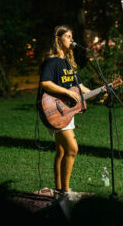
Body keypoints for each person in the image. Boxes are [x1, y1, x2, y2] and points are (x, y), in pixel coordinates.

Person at [38, 25, 91, 200]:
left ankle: (59, 190)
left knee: (61, 151)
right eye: (67, 36)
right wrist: (67, 92)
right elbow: (45, 83)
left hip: (66, 112)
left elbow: (80, 87)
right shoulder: (51, 62)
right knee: (72, 148)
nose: (71, 39)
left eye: (71, 36)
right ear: (58, 39)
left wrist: (102, 90)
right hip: (55, 110)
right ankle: (65, 192)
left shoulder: (69, 64)